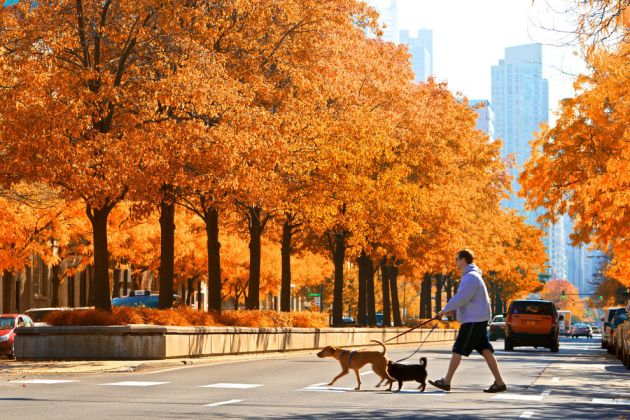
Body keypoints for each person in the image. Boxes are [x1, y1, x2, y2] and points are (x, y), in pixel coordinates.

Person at [428, 249, 507, 393]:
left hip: (473, 321)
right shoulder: (473, 276)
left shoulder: (470, 277)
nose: (455, 262)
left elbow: (461, 297)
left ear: (463, 260)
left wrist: (445, 309)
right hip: (477, 319)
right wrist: (455, 310)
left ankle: (446, 381)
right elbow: (468, 300)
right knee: (486, 350)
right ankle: (500, 382)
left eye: (457, 259)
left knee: (458, 348)